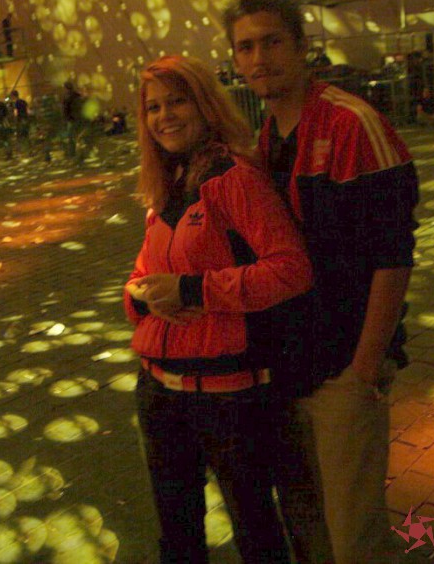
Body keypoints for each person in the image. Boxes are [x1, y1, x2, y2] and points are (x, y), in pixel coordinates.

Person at [223, 0, 419, 564]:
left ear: (302, 46)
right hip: (294, 363)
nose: (259, 58)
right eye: (245, 47)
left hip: (344, 367)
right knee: (310, 524)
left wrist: (363, 371)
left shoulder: (352, 124)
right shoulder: (268, 137)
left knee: (354, 535)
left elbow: (393, 257)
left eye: (272, 42)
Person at [123, 54, 318, 564]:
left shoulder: (234, 178)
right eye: (153, 107)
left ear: (206, 104)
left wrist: (193, 291)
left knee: (255, 530)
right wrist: (141, 296)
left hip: (227, 399)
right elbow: (142, 275)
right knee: (178, 534)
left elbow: (291, 269)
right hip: (158, 389)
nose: (164, 116)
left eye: (177, 101)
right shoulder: (166, 186)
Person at [62, 80, 83, 158]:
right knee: (78, 136)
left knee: (71, 136)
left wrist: (65, 118)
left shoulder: (67, 97)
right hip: (78, 118)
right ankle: (80, 151)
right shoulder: (77, 95)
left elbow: (66, 109)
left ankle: (72, 153)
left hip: (71, 119)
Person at [11, 89, 30, 155]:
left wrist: (15, 120)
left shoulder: (16, 103)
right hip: (25, 120)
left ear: (13, 96)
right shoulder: (24, 101)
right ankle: (29, 150)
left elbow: (16, 113)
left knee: (20, 136)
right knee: (26, 135)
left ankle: (23, 150)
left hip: (20, 121)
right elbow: (28, 111)